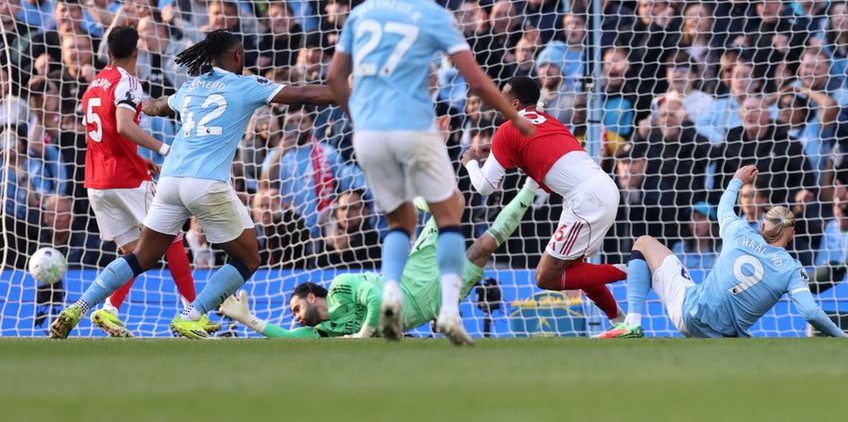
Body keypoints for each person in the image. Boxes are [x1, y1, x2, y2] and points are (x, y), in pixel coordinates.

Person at [49, 30, 334, 339]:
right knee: (249, 258)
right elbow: (305, 95)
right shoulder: (246, 85)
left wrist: (139, 104)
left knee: (140, 257)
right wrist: (347, 94)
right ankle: (191, 315)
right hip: (206, 182)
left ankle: (78, 306)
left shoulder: (190, 87)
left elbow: (158, 106)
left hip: (169, 181)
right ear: (238, 56)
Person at [326, 0, 533, 346]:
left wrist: (358, 119)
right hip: (414, 127)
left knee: (399, 220)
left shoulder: (362, 13)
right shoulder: (433, 13)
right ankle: (450, 312)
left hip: (368, 133)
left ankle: (389, 295)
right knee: (450, 212)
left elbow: (334, 79)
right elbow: (475, 80)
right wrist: (514, 117)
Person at [218, 185, 537, 338]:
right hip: (431, 302)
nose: (297, 318)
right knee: (482, 250)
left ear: (313, 297)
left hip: (411, 277)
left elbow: (375, 298)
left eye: (297, 309)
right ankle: (532, 189)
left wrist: (362, 335)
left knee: (455, 204)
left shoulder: (341, 286)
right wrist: (250, 320)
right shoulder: (324, 331)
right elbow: (288, 339)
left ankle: (418, 200)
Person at [596, 165, 846, 339]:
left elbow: (723, 207)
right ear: (791, 236)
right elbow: (811, 312)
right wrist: (840, 335)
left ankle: (632, 323)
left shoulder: (738, 232)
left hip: (688, 312)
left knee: (643, 243)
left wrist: (737, 179)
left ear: (761, 225)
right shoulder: (792, 269)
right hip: (723, 334)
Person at [462, 76, 627, 325]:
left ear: (515, 104)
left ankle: (636, 269)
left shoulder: (507, 130)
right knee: (573, 267)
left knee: (546, 277)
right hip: (600, 189)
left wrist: (471, 162)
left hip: (585, 199)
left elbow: (484, 187)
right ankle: (618, 320)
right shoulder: (550, 121)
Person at [78, 26, 199, 337]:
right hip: (126, 179)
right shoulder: (128, 82)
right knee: (171, 234)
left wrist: (141, 159)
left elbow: (103, 136)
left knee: (135, 252)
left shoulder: (94, 85)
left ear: (108, 52)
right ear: (137, 52)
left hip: (97, 181)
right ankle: (191, 310)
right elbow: (121, 126)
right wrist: (163, 148)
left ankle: (110, 310)